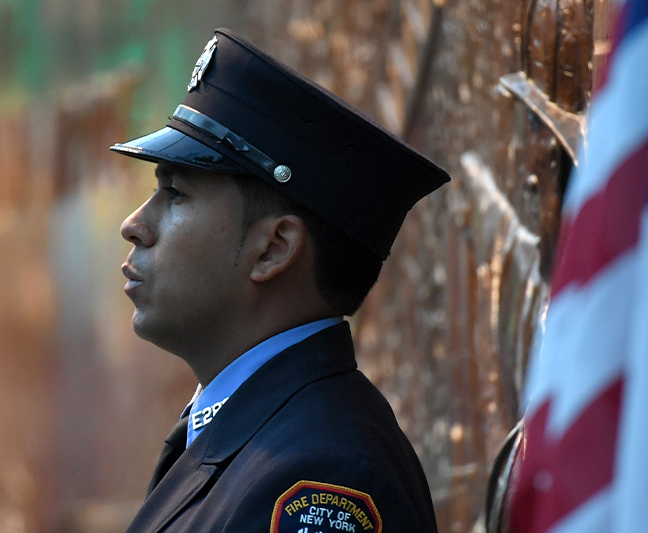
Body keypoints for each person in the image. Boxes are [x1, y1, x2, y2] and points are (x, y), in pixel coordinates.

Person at [110, 28, 449, 533]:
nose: (134, 224)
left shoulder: (320, 481)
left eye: (176, 192)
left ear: (273, 249)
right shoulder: (252, 432)